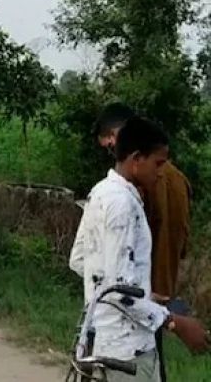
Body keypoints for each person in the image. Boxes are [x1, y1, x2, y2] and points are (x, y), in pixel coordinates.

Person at [70, 117, 207, 381]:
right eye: (158, 163)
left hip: (100, 339)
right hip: (128, 351)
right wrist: (175, 323)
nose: (161, 172)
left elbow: (79, 260)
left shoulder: (100, 192)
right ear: (136, 159)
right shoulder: (123, 205)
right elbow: (119, 292)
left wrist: (143, 294)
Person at [94, 103, 192, 381]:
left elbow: (113, 275)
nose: (112, 149)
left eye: (112, 140)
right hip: (152, 302)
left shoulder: (126, 192)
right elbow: (182, 245)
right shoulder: (179, 181)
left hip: (134, 311)